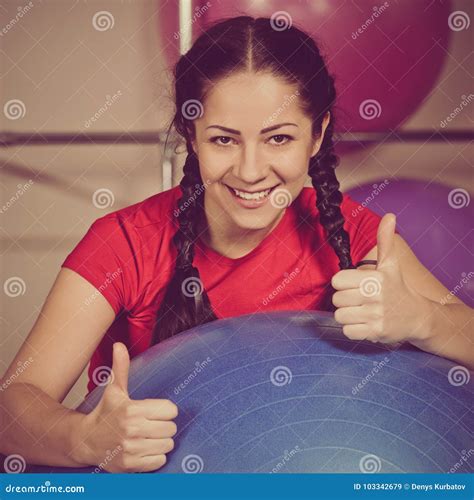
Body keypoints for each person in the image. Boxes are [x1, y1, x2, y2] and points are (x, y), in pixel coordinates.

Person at [1, 16, 472, 474]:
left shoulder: (355, 235)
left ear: (317, 134)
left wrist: (424, 320)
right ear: (191, 134)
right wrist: (84, 439)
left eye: (278, 138)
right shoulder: (125, 243)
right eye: (224, 139)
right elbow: (12, 408)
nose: (250, 170)